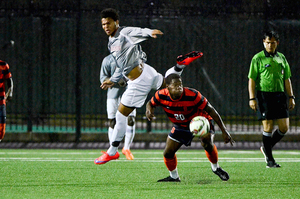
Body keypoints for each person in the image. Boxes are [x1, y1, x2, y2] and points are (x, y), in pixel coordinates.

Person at [94, 8, 203, 165]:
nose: (106, 26)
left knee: (120, 116)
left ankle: (112, 151)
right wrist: (114, 79)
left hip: (138, 81)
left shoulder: (123, 32)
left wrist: (149, 31)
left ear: (116, 22)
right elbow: (122, 64)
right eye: (103, 24)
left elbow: (136, 31)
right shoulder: (111, 41)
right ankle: (179, 66)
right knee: (168, 83)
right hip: (146, 71)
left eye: (108, 23)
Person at [145, 74, 234, 182]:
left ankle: (216, 168)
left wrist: (224, 131)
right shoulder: (160, 95)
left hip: (201, 121)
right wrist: (149, 110)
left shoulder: (193, 95)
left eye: (180, 85)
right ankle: (174, 177)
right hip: (181, 125)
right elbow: (150, 103)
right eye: (175, 85)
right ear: (167, 87)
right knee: (168, 153)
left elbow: (211, 110)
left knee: (207, 142)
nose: (179, 87)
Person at [248, 30, 295, 168]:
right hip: (265, 96)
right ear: (264, 42)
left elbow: (287, 79)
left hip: (280, 96)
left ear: (277, 43)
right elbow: (251, 79)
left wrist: (291, 96)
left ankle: (266, 147)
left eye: (273, 43)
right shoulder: (257, 58)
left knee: (284, 128)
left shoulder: (282, 58)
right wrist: (252, 98)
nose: (270, 45)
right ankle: (270, 160)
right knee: (268, 127)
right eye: (267, 42)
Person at [100, 54, 136, 160]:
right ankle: (112, 150)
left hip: (129, 93)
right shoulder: (107, 60)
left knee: (131, 119)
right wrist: (115, 81)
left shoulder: (132, 59)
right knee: (112, 121)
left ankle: (126, 148)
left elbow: (138, 76)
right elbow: (103, 78)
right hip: (113, 94)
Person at [0, 60, 13, 142]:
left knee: (1, 131)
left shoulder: (3, 65)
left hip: (1, 101)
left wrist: (10, 93)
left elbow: (9, 81)